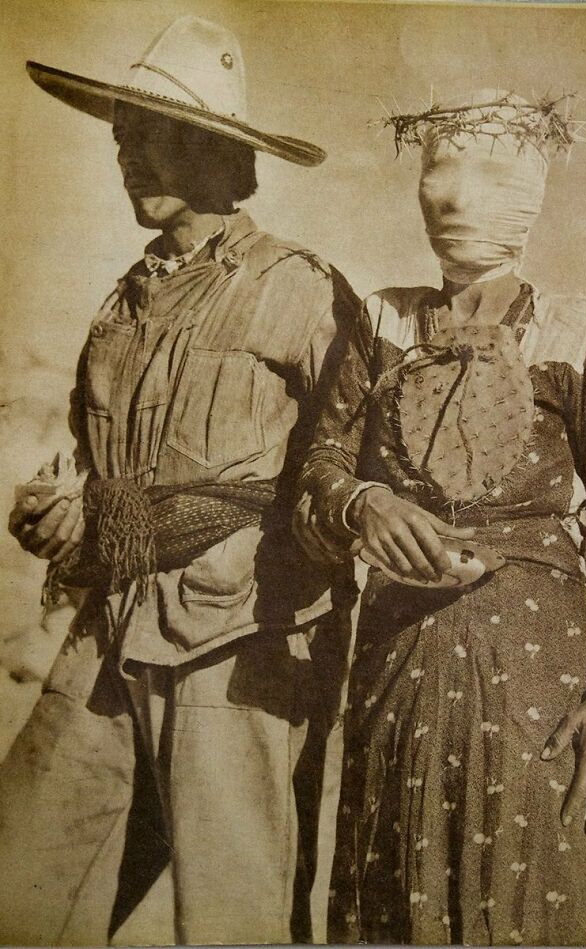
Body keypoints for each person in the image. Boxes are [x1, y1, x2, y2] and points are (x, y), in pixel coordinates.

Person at [2, 15, 358, 946]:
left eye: (151, 132)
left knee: (232, 911)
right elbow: (87, 459)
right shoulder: (123, 298)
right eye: (121, 132)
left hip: (238, 641)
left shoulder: (302, 288)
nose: (128, 153)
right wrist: (59, 513)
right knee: (20, 879)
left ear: (215, 150)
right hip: (110, 625)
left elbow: (350, 461)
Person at [295, 91, 586, 945]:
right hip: (402, 664)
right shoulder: (382, 320)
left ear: (531, 190)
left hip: (543, 671)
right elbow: (321, 463)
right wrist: (364, 499)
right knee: (401, 866)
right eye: (441, 171)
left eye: (490, 174)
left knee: (547, 878)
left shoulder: (579, 331)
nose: (458, 196)